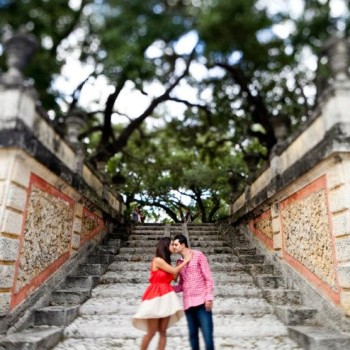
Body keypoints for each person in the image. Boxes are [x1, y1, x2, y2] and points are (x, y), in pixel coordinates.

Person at [132, 237, 193, 350]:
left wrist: (180, 263)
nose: (174, 246)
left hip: (167, 296)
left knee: (163, 331)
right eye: (171, 244)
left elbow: (174, 277)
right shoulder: (157, 260)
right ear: (165, 246)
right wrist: (186, 261)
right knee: (152, 331)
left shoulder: (167, 262)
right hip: (155, 296)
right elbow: (174, 271)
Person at [173, 234, 215, 350]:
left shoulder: (198, 255)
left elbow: (208, 278)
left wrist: (209, 298)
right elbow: (181, 285)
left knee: (207, 337)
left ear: (183, 244)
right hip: (188, 304)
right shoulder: (179, 263)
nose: (174, 247)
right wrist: (168, 289)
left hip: (202, 302)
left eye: (176, 245)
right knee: (193, 337)